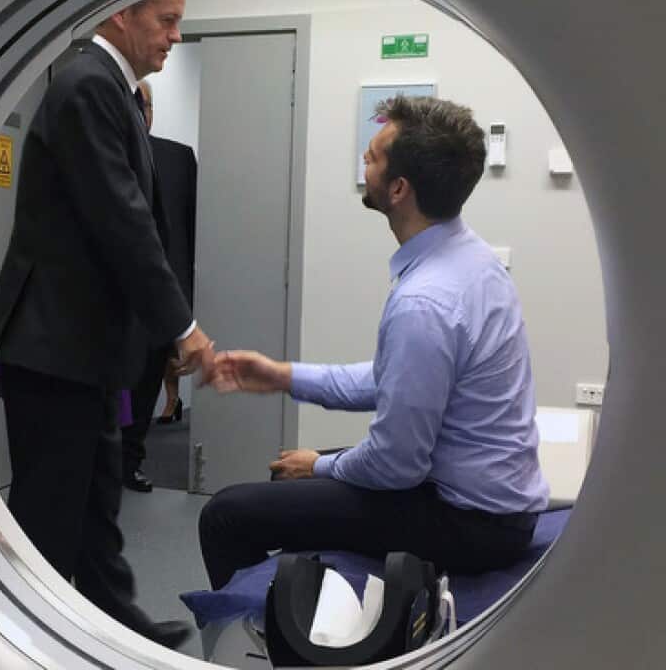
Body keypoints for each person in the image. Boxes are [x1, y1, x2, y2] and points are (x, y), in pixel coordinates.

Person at [200, 95, 549, 590]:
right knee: (288, 477)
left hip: (470, 525)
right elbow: (394, 380)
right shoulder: (472, 260)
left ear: (399, 188)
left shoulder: (425, 301)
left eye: (371, 157)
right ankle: (301, 610)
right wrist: (283, 376)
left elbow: (395, 464)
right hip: (492, 506)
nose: (363, 164)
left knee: (226, 514)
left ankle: (257, 633)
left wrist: (319, 465)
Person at [0, 0, 215, 648]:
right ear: (121, 11)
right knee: (49, 516)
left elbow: (134, 224)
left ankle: (116, 621)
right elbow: (124, 222)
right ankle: (29, 644)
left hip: (87, 350)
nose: (172, 35)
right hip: (54, 349)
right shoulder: (87, 87)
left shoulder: (119, 94)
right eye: (166, 21)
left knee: (95, 505)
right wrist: (180, 328)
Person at [121, 79, 198, 493]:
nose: (140, 112)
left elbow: (189, 234)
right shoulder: (107, 156)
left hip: (159, 301)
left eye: (145, 104)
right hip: (110, 301)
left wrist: (182, 311)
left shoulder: (178, 159)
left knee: (147, 383)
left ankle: (129, 461)